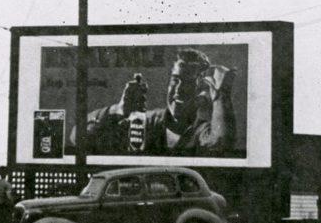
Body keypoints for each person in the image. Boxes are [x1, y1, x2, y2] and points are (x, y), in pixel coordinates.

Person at [77, 48, 236, 156]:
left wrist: (221, 96)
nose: (179, 89)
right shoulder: (146, 122)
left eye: (188, 82)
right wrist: (118, 110)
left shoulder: (202, 132)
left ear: (202, 92)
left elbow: (220, 145)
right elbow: (78, 137)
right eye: (175, 80)